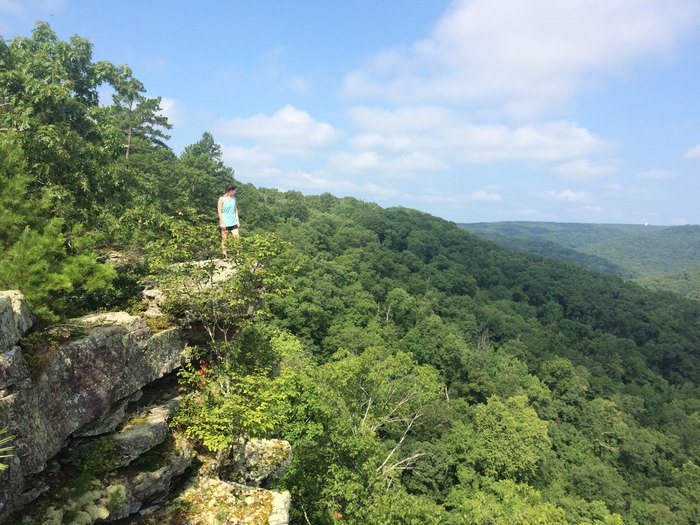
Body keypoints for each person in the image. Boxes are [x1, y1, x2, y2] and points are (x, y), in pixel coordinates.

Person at [218, 184, 240, 255]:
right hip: (225, 222)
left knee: (237, 238)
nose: (235, 192)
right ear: (231, 190)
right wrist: (222, 222)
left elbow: (235, 210)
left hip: (233, 222)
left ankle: (238, 254)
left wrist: (237, 220)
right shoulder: (221, 199)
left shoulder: (234, 198)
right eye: (234, 190)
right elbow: (219, 211)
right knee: (225, 239)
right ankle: (225, 255)